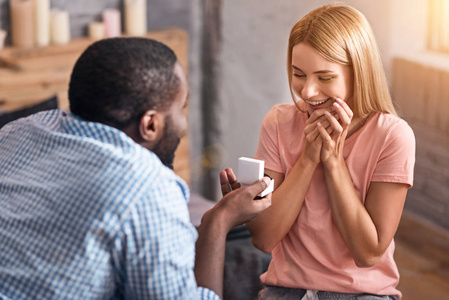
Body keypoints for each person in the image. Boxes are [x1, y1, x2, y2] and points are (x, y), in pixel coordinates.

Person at [0, 38, 272, 299]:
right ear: (150, 124)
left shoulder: (19, 130)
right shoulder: (148, 188)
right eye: (181, 107)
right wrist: (218, 221)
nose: (183, 123)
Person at [223, 4, 415, 300]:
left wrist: (333, 161)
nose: (308, 91)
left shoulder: (392, 135)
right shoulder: (279, 122)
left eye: (324, 78)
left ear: (358, 72)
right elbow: (264, 238)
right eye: (298, 74)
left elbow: (367, 253)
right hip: (286, 290)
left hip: (363, 294)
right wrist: (309, 157)